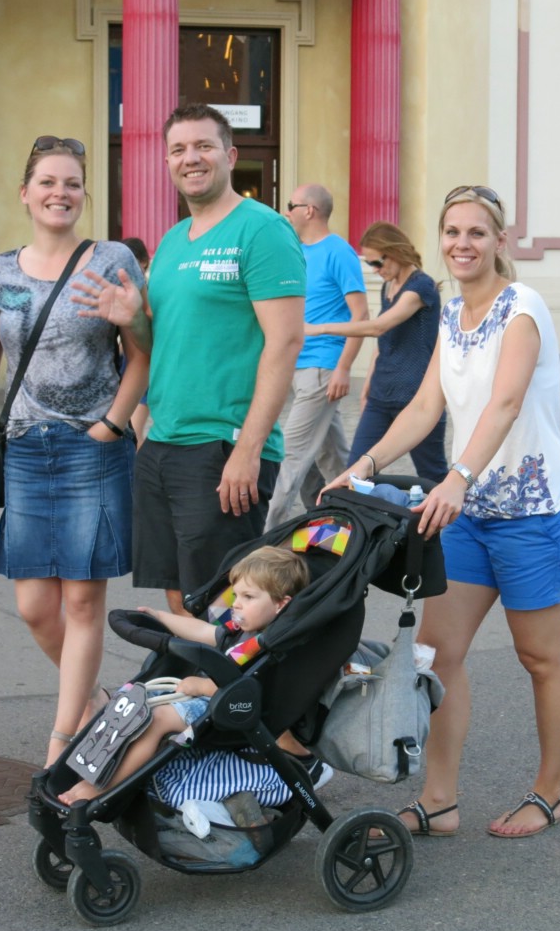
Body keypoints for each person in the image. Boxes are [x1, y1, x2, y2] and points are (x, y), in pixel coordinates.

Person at [323, 185, 560, 839]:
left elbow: (505, 402)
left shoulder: (522, 307)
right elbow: (423, 407)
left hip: (532, 513)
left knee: (540, 658)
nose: (462, 244)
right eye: (452, 232)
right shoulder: (451, 312)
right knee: (437, 655)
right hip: (467, 516)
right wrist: (363, 466)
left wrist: (457, 477)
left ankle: (550, 792)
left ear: (500, 241)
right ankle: (439, 801)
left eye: (476, 232)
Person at [0, 135, 151, 767]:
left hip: (92, 446)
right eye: (48, 182)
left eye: (72, 183)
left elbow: (143, 351)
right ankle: (94, 700)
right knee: (36, 607)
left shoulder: (111, 259)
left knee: (83, 601)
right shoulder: (3, 273)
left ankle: (64, 741)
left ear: (84, 193)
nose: (60, 192)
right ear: (25, 193)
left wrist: (113, 424)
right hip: (26, 448)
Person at [130, 103, 306, 615]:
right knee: (178, 595)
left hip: (223, 446)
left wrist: (248, 450)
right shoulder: (171, 241)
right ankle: (194, 672)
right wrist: (130, 318)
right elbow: (161, 342)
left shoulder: (262, 230)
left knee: (227, 603)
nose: (191, 158)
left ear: (229, 156)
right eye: (179, 149)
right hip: (165, 442)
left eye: (204, 146)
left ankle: (231, 674)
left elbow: (285, 342)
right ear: (167, 162)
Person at [57, 546, 311, 804]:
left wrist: (201, 686)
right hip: (213, 701)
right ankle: (92, 772)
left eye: (248, 596)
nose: (236, 604)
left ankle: (105, 789)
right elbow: (201, 631)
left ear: (281, 604)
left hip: (231, 711)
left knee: (157, 718)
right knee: (131, 700)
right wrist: (160, 617)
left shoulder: (272, 646)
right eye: (236, 595)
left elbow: (253, 690)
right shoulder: (241, 631)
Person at [305, 220, 447, 483]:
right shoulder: (388, 286)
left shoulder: (421, 287)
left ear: (394, 251)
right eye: (370, 263)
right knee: (357, 473)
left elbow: (379, 326)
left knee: (433, 474)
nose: (374, 270)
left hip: (418, 397)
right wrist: (369, 383)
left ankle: (454, 511)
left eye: (377, 263)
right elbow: (384, 341)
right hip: (381, 396)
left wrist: (320, 328)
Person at [263, 185, 368, 529]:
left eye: (290, 205)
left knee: (290, 454)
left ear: (309, 210)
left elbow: (361, 316)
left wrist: (343, 367)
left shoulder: (339, 252)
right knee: (331, 457)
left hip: (323, 368)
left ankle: (259, 538)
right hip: (297, 365)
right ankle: (349, 523)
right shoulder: (297, 251)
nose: (286, 212)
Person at [120, 236, 153, 445]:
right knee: (131, 430)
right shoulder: (124, 291)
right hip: (126, 365)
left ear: (143, 262)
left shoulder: (150, 291)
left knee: (134, 430)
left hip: (143, 365)